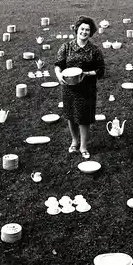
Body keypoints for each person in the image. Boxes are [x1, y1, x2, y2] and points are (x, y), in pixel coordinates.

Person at [55, 15, 105, 159]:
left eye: (87, 30)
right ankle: (74, 141)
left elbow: (101, 70)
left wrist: (86, 73)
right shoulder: (66, 47)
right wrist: (59, 76)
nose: (84, 32)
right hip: (69, 88)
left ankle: (83, 146)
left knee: (84, 118)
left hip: (87, 89)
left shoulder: (94, 50)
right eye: (82, 29)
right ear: (76, 30)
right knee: (71, 115)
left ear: (91, 33)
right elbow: (59, 65)